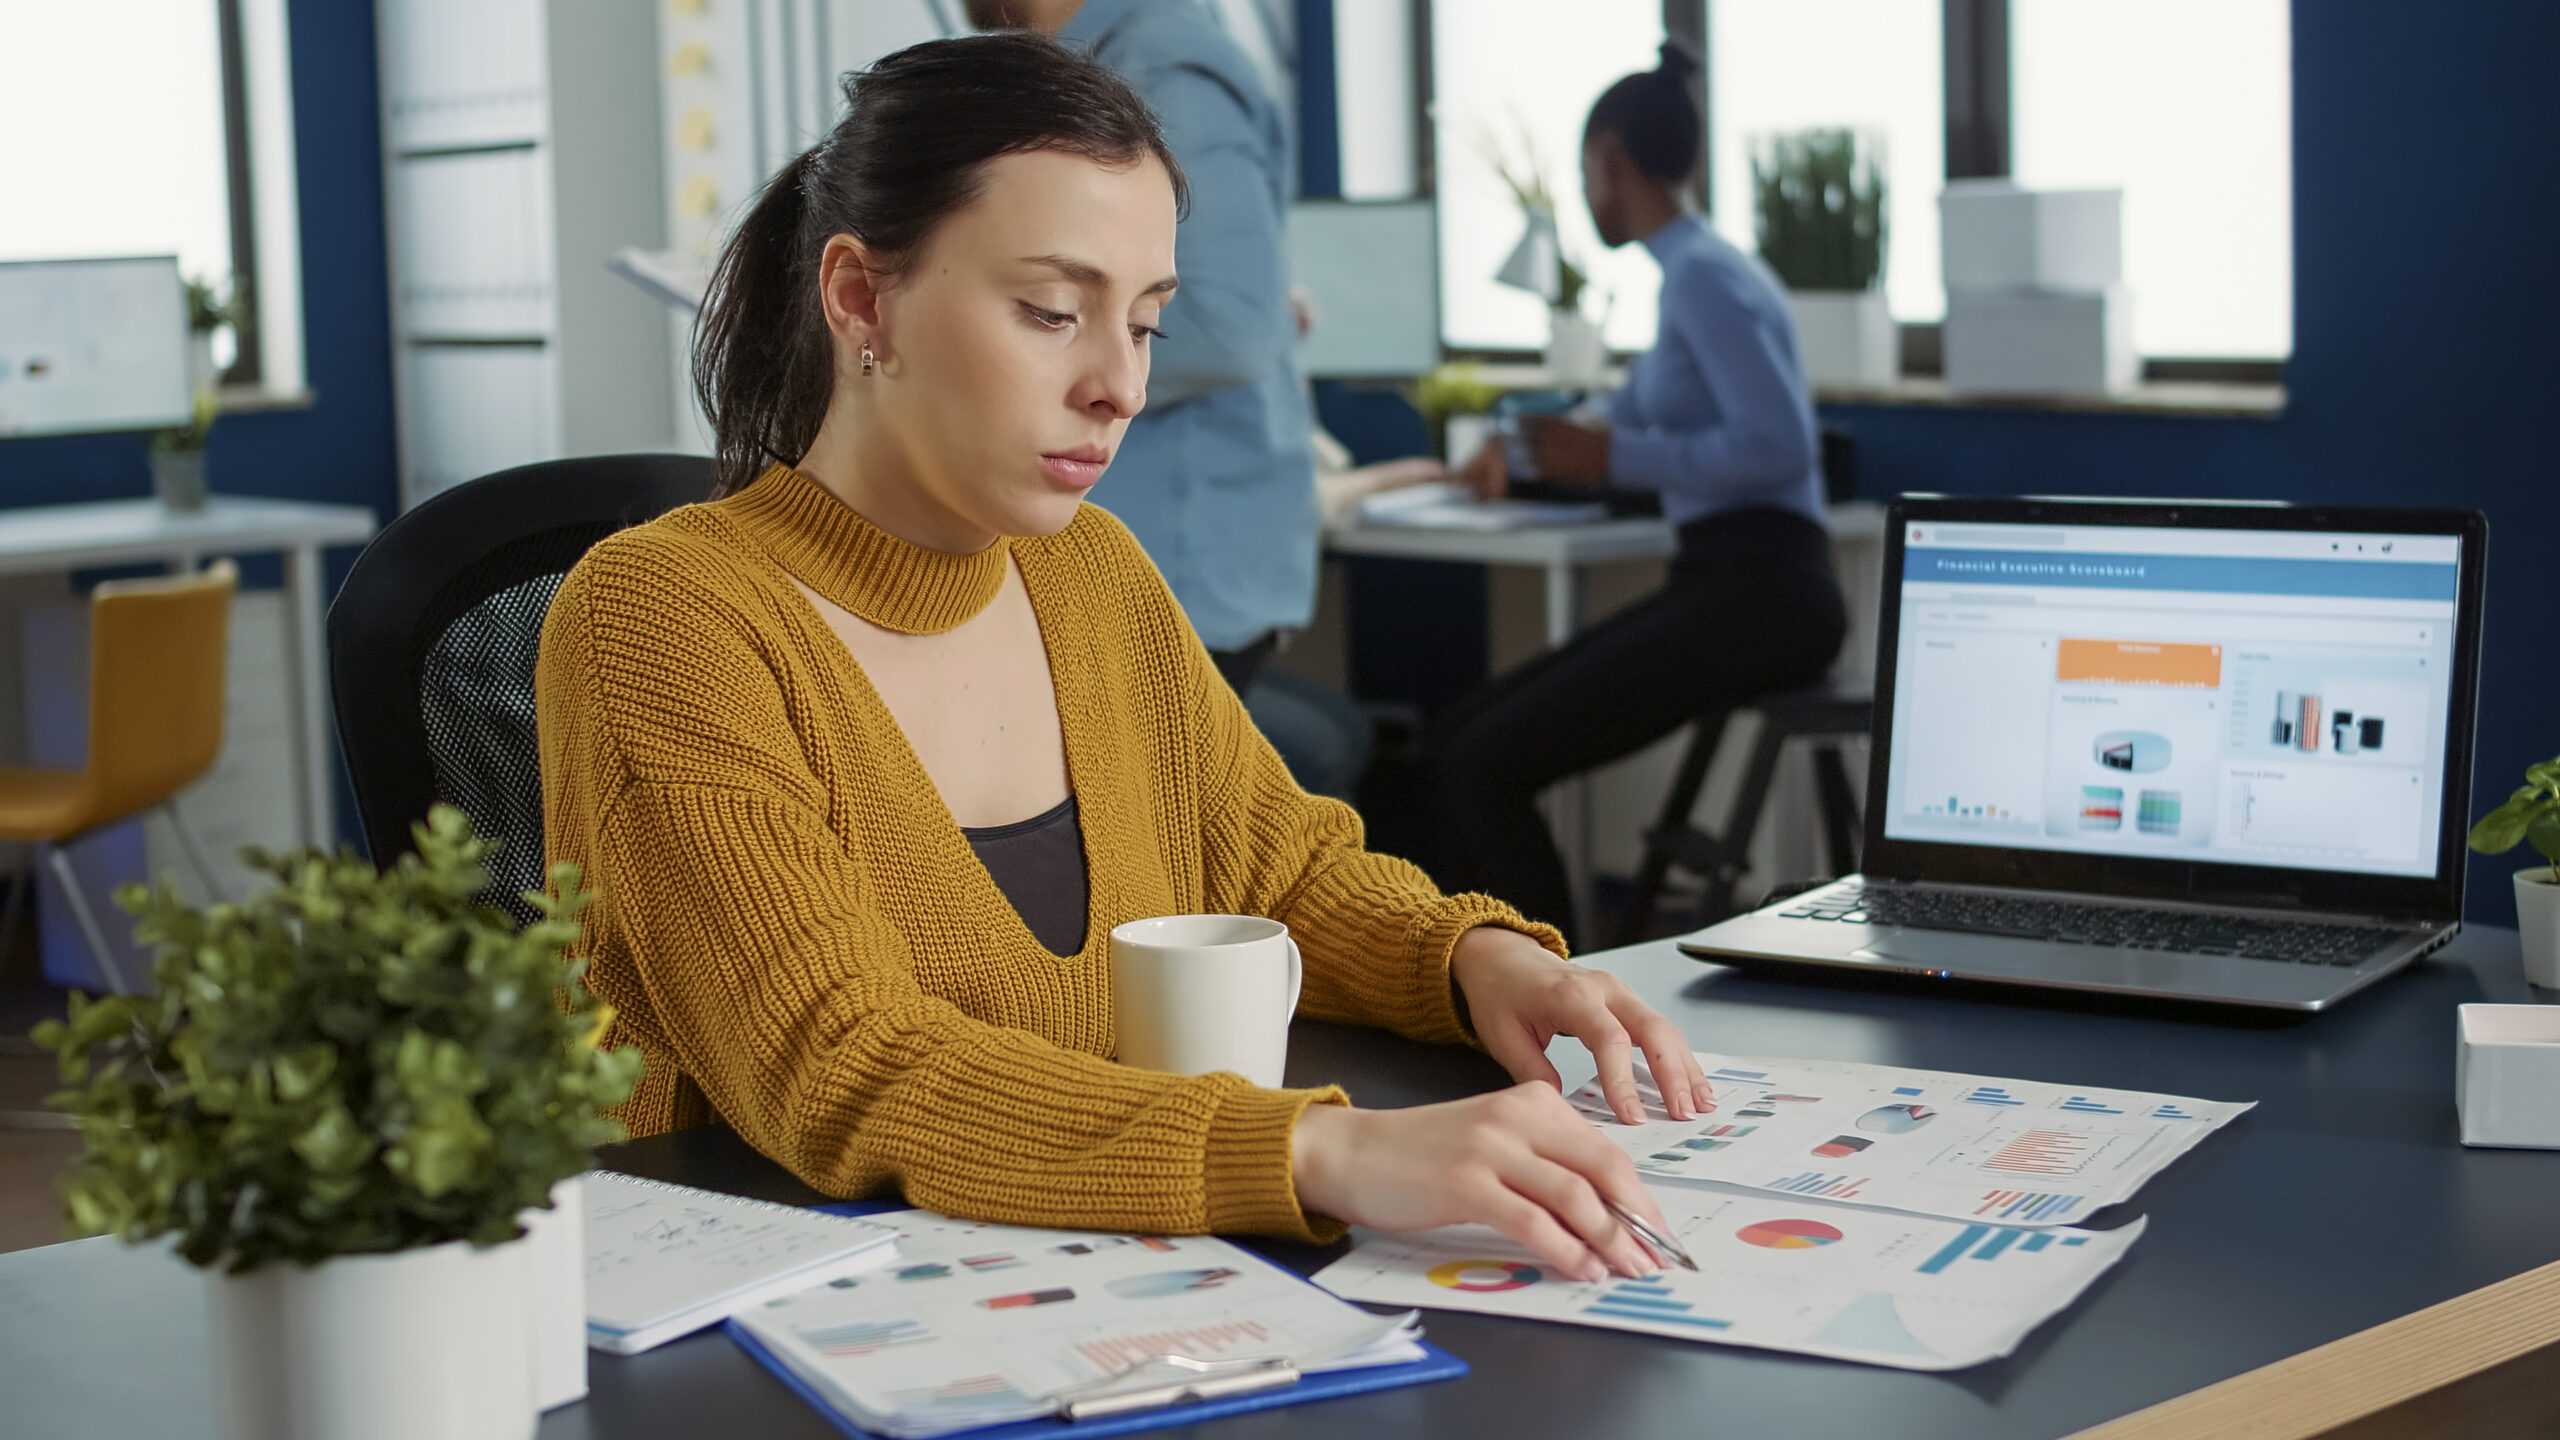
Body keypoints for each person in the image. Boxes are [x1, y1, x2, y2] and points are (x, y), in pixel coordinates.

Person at [536, 33, 1711, 1285]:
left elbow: (1282, 869)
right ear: (860, 299)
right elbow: (844, 1064)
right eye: (1053, 312)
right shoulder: (663, 617)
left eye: (1145, 322)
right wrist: (1322, 1151)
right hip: (765, 1329)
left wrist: (1470, 958)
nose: (1119, 386)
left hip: (1075, 1285)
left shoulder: (1090, 572)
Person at [1428, 42, 1849, 945]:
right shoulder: (1695, 273)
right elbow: (1639, 417)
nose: (1589, 194)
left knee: (1484, 761)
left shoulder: (1702, 277)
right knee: (1463, 731)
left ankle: (1551, 1002)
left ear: (1611, 163)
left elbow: (1777, 447)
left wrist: (1614, 456)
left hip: (1764, 591)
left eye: (1589, 173)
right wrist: (1527, 444)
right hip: (1727, 580)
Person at [965, 0, 1310, 696]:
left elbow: (1231, 326)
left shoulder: (1163, 66)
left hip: (1175, 574)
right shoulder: (1103, 64)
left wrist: (1020, 348)